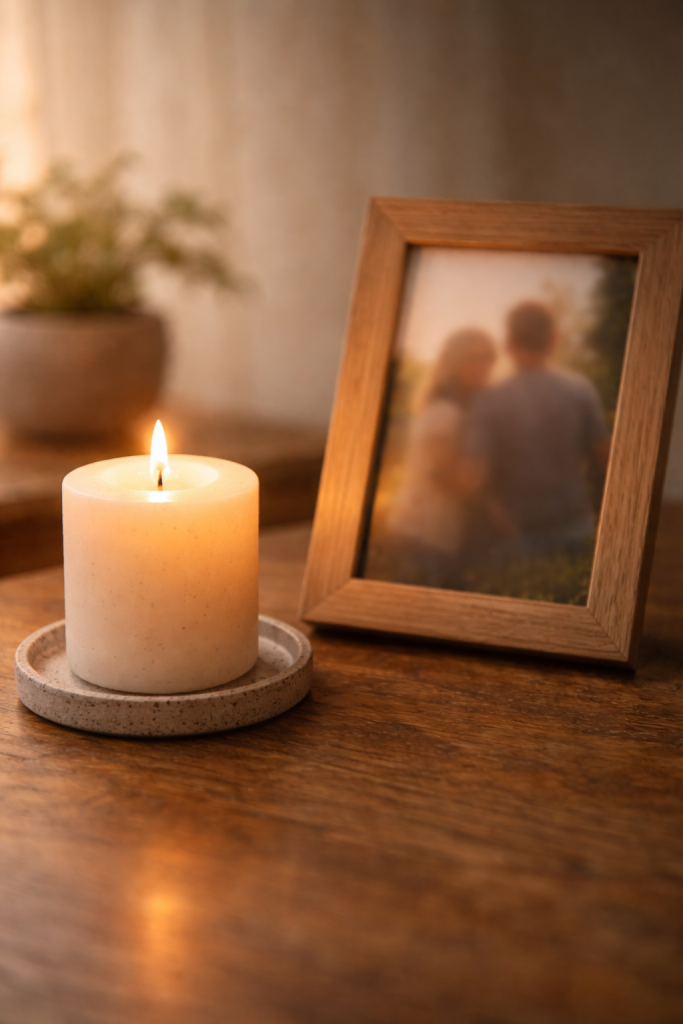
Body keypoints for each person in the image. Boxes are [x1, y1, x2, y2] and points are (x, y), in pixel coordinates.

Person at [460, 301, 610, 566]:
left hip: (514, 534)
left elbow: (474, 477)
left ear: (508, 343)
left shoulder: (489, 401)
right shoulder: (580, 390)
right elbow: (607, 459)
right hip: (577, 526)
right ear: (553, 340)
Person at [383, 327, 497, 588]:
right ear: (454, 361)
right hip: (425, 537)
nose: (483, 365)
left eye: (488, 357)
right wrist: (493, 504)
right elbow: (444, 478)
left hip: (435, 535)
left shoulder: (461, 407)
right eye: (473, 357)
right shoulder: (445, 411)